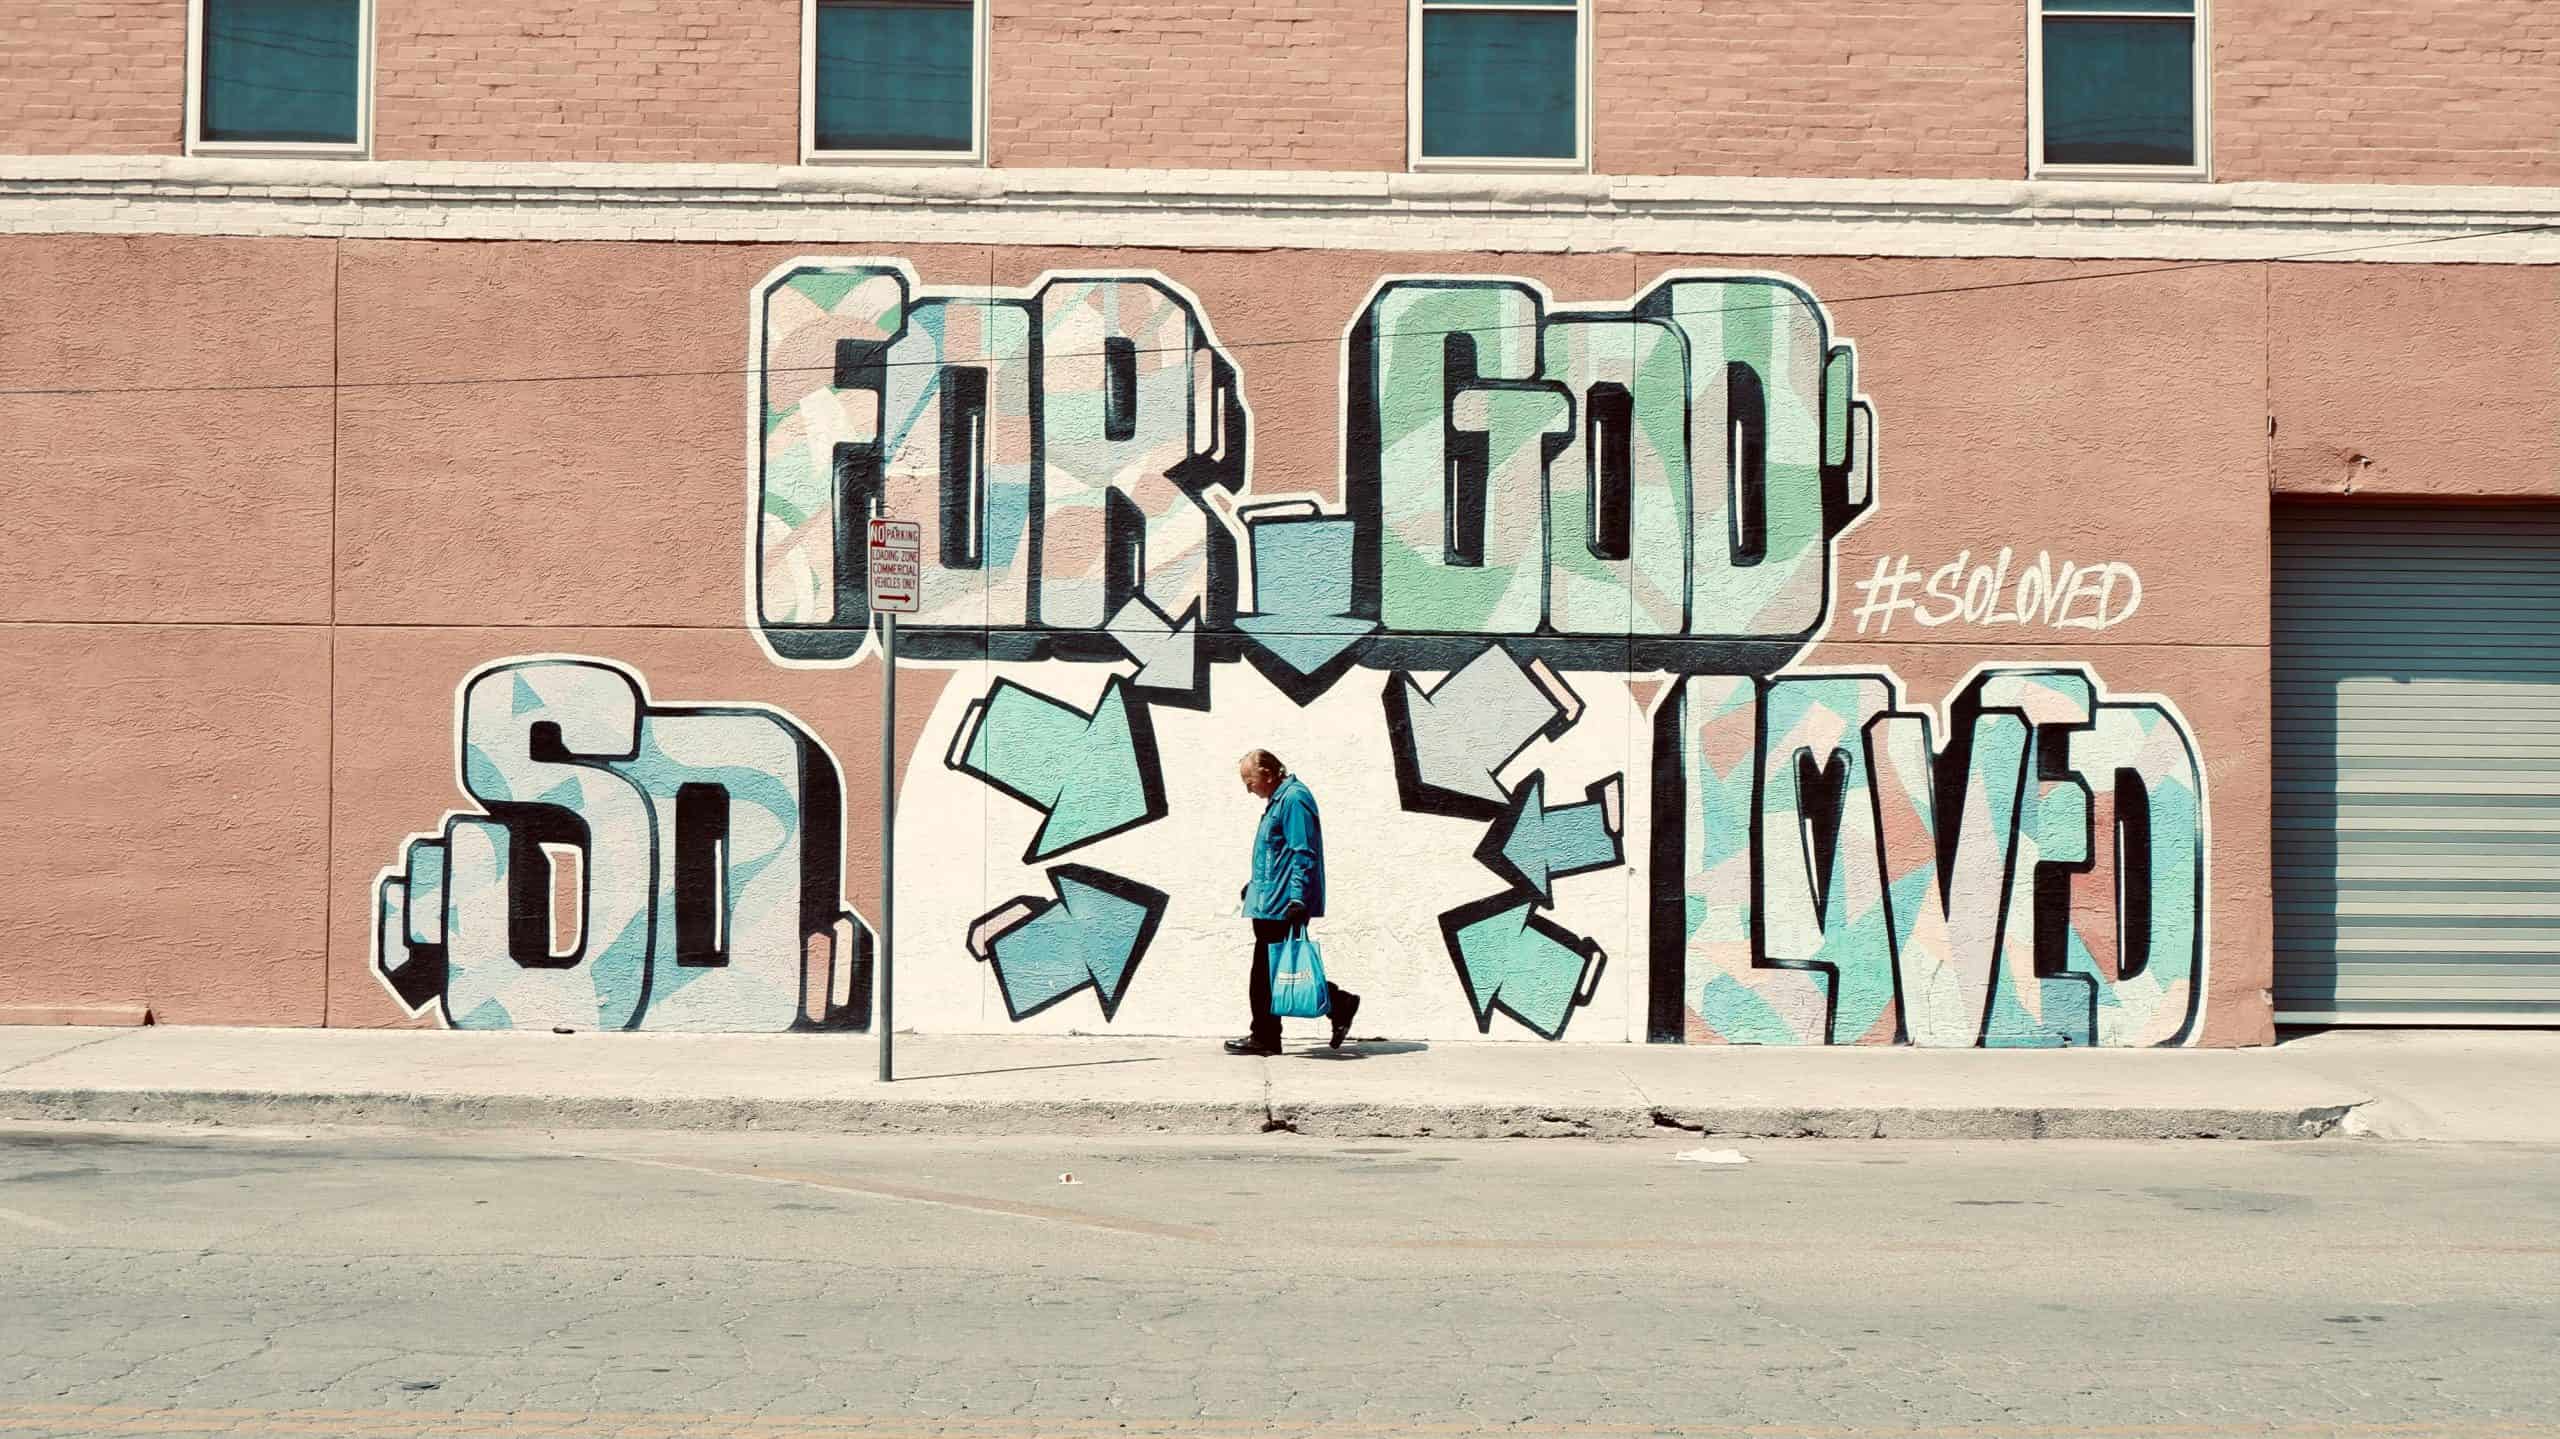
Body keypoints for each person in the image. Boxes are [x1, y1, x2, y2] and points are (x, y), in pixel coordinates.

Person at [1228, 750, 1359, 1056]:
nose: (1248, 788)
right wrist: (1255, 885)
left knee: (1266, 973)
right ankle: (1337, 1004)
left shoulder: (1294, 799)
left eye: (1250, 780)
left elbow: (1302, 852)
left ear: (1268, 773)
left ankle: (1266, 1036)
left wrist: (1298, 897)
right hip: (1269, 900)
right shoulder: (1280, 800)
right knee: (1272, 971)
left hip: (1283, 903)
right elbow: (1277, 854)